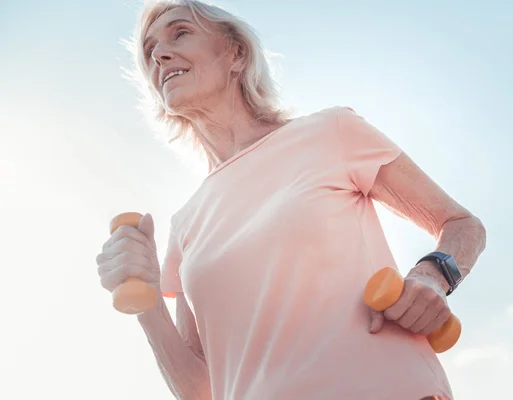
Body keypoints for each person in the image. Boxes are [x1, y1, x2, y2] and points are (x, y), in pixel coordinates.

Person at [96, 1, 487, 399]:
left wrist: (431, 276)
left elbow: (461, 225)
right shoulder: (185, 225)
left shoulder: (331, 131)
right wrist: (147, 303)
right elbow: (201, 391)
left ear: (236, 53)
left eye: (180, 33)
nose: (159, 55)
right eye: (149, 51)